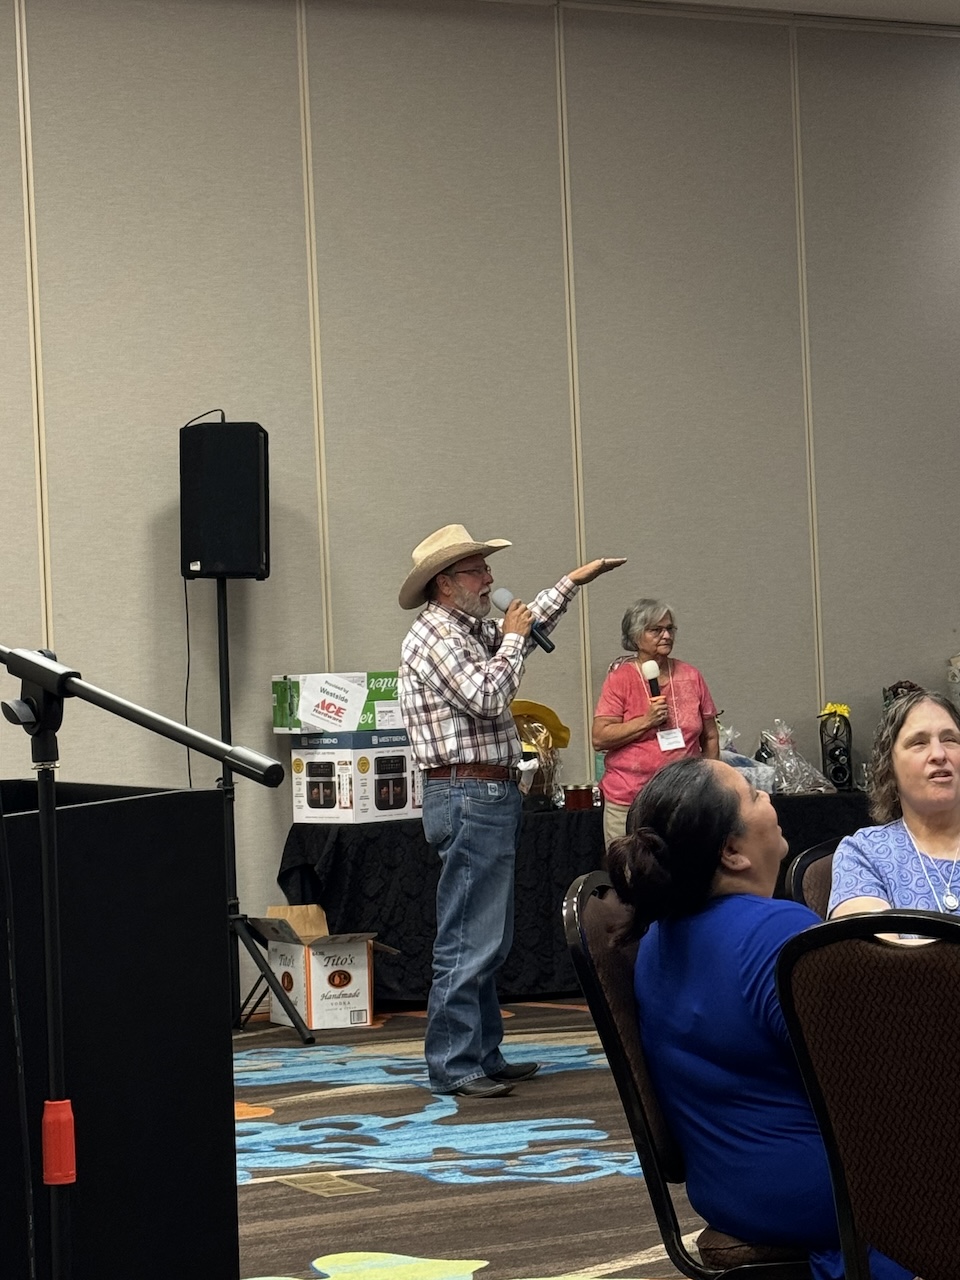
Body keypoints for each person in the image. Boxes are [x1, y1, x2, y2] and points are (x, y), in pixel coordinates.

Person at [607, 756, 914, 1280]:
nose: (768, 797)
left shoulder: (657, 938)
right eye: (753, 794)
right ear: (732, 852)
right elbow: (878, 1083)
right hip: (823, 1194)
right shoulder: (777, 934)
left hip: (725, 1192)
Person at [398, 524, 624, 1098]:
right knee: (468, 937)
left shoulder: (467, 628)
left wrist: (572, 582)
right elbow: (488, 696)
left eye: (485, 568)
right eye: (477, 570)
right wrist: (516, 641)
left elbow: (522, 626)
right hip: (467, 794)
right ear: (445, 583)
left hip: (485, 794)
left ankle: (482, 1054)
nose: (490, 578)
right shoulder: (435, 636)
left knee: (488, 937)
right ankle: (454, 1064)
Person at [592, 598, 718, 848]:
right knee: (631, 869)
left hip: (683, 798)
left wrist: (711, 783)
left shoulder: (691, 676)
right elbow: (600, 737)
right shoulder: (620, 679)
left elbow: (711, 736)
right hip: (629, 798)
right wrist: (646, 721)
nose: (666, 636)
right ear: (636, 636)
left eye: (670, 629)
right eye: (656, 630)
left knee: (682, 868)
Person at [829, 689, 960, 918]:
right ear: (888, 768)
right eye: (919, 743)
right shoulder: (864, 853)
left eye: (950, 740)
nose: (939, 754)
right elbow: (871, 941)